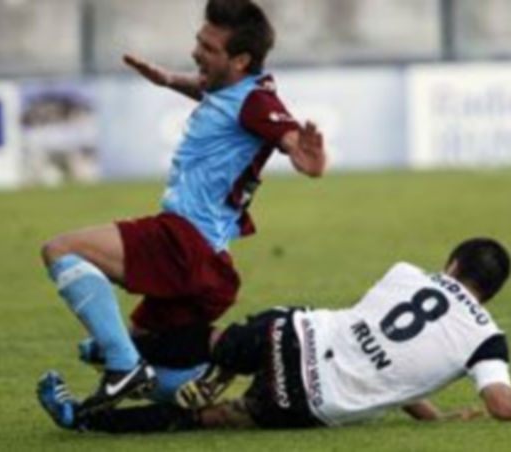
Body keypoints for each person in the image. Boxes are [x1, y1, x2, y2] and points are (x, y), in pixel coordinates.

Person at [38, 0, 327, 419]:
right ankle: (184, 394)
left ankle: (123, 369)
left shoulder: (257, 103)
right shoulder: (235, 91)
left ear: (241, 59)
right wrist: (169, 79)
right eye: (199, 41)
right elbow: (213, 90)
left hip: (183, 239)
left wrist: (310, 160)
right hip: (208, 260)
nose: (196, 52)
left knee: (61, 250)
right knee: (127, 344)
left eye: (209, 49)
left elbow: (290, 141)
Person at [37, 237, 511, 432]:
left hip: (294, 333)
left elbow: (381, 342)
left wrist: (432, 415)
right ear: (492, 292)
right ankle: (81, 419)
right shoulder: (487, 337)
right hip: (312, 397)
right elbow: (499, 401)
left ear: (452, 263)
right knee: (204, 418)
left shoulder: (407, 274)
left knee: (215, 343)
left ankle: (120, 351)